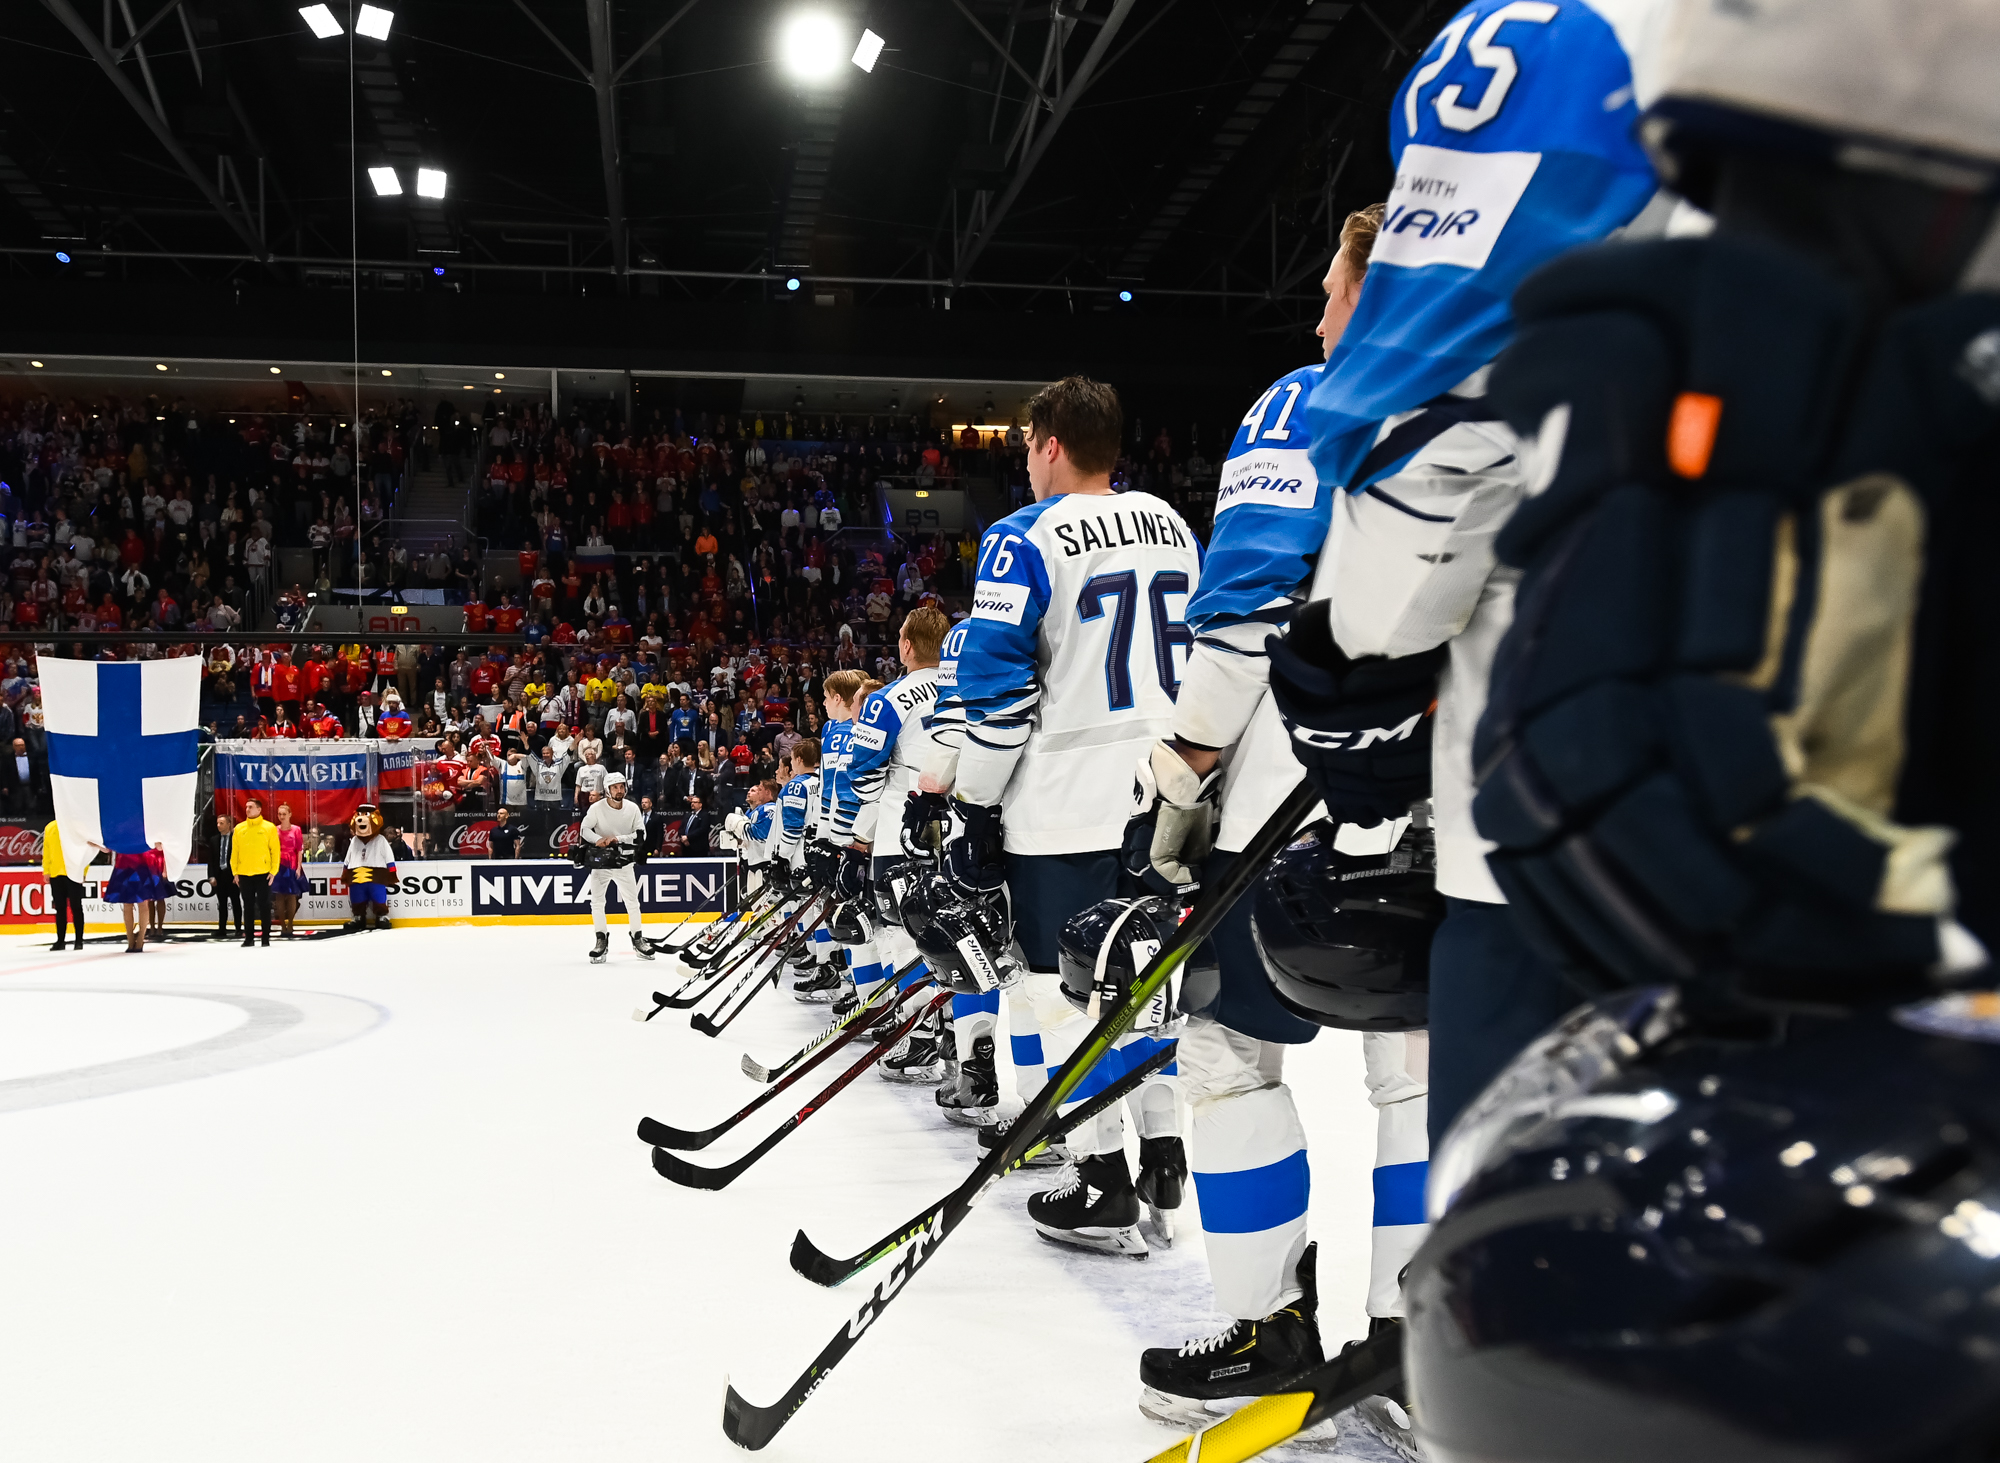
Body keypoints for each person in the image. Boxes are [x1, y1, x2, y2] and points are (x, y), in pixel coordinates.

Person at [1132, 0, 1674, 1438]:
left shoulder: (1321, 395)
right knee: (1418, 1083)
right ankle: (1398, 1338)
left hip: (1355, 799)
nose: (1315, 316)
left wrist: (1183, 793)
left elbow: (1267, 605)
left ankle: (1267, 1317)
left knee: (1227, 1049)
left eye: (1329, 289)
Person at [922, 375, 1199, 1257]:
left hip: (1065, 803)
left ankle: (1102, 1173)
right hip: (1162, 794)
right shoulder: (1176, 528)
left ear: (1046, 444)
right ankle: (1163, 1153)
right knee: (1149, 985)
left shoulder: (1022, 538)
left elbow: (997, 701)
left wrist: (975, 805)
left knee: (1064, 992)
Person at [579, 770, 651, 964]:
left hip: (625, 862)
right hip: (602, 863)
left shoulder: (633, 808)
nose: (619, 791)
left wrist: (617, 839)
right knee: (597, 903)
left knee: (632, 902)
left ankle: (638, 938)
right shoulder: (596, 808)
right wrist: (598, 840)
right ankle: (601, 939)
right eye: (615, 787)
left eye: (621, 787)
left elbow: (640, 833)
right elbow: (584, 829)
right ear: (607, 790)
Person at [230, 795, 280, 948]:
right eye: (246, 807)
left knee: (265, 906)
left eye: (250, 807)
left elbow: (275, 851)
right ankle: (249, 938)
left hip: (263, 872)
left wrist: (273, 871)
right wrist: (235, 872)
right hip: (244, 873)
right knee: (248, 906)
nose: (247, 809)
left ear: (259, 809)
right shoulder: (239, 828)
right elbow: (235, 852)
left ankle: (265, 937)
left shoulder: (269, 827)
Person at [341, 805, 396, 932]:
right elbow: (348, 857)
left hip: (376, 874)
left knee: (378, 896)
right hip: (356, 874)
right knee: (357, 897)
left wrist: (392, 871)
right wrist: (345, 871)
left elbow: (389, 856)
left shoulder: (380, 839)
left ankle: (381, 916)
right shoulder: (354, 840)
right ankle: (358, 917)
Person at [42, 816, 84, 951]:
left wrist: (83, 870)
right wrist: (46, 870)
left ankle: (79, 940)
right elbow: (46, 850)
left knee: (76, 907)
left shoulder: (76, 826)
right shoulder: (50, 827)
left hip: (73, 872)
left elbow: (84, 851)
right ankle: (60, 940)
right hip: (55, 872)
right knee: (60, 908)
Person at [271, 802, 309, 939]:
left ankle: (291, 923)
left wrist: (299, 867)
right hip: (278, 864)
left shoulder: (296, 829)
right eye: (279, 814)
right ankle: (282, 925)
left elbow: (299, 849)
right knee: (279, 896)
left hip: (292, 863)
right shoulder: (274, 830)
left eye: (284, 814)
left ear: (290, 815)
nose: (281, 816)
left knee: (292, 895)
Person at [212, 812, 243, 941]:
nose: (219, 826)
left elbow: (240, 857)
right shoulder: (214, 840)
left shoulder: (236, 838)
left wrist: (238, 874)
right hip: (220, 876)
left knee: (236, 902)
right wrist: (211, 876)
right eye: (218, 823)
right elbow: (211, 860)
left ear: (229, 824)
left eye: (222, 823)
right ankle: (222, 928)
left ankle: (238, 928)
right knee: (222, 904)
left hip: (232, 875)